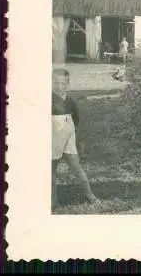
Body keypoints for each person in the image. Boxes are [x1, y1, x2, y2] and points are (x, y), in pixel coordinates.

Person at [51, 68, 100, 208]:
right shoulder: (46, 99)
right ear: (51, 82)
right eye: (56, 83)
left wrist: (76, 139)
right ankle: (53, 201)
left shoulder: (70, 101)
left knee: (77, 168)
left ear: (68, 84)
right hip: (52, 139)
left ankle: (90, 196)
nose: (59, 86)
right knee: (50, 172)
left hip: (68, 139)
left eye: (63, 83)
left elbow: (76, 120)